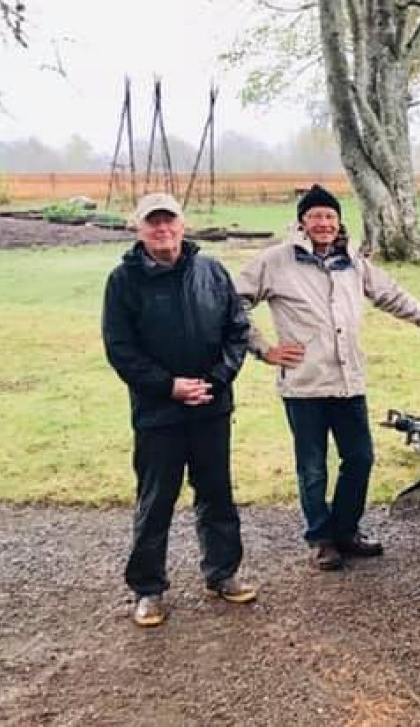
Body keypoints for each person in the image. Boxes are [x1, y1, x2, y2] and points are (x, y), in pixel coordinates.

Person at [235, 184, 420, 572]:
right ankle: (321, 539)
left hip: (349, 382)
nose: (323, 223)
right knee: (313, 466)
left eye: (330, 217)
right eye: (315, 216)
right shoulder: (276, 262)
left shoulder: (353, 261)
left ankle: (347, 531)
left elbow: (392, 295)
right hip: (304, 384)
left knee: (360, 458)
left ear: (339, 222)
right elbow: (233, 302)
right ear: (302, 222)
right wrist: (264, 349)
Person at [101, 192, 256, 628]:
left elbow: (237, 330)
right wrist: (169, 387)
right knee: (156, 500)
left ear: (183, 226)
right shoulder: (123, 282)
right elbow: (120, 348)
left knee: (216, 493)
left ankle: (222, 572)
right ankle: (148, 589)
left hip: (211, 405)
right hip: (158, 413)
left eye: (169, 221)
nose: (162, 229)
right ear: (140, 229)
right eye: (153, 223)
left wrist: (215, 380)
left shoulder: (211, 272)